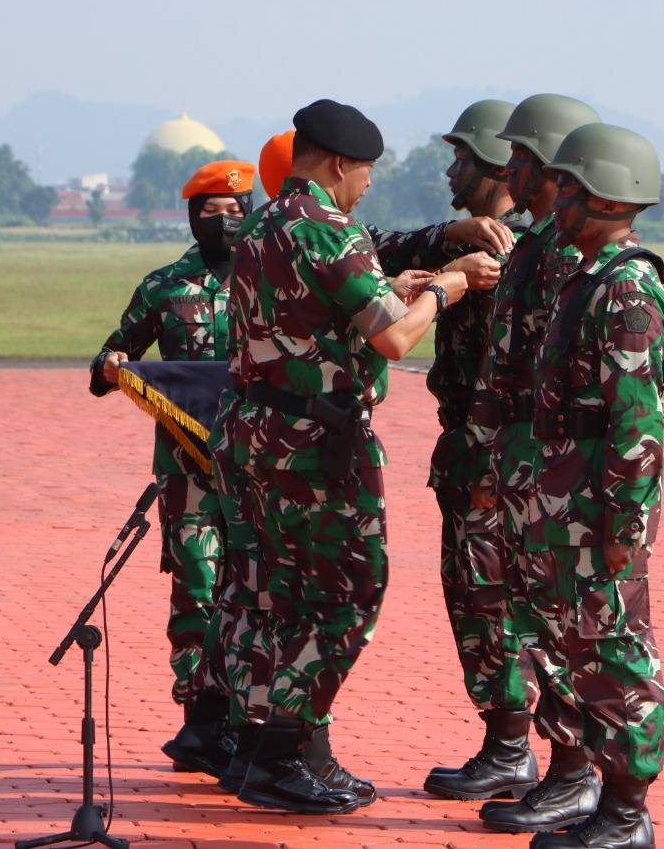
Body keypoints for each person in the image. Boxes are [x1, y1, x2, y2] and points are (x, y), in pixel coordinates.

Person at [230, 99, 471, 815]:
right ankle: (280, 754)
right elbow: (394, 340)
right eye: (365, 172)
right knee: (350, 593)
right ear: (339, 165)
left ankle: (282, 749)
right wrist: (445, 288)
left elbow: (318, 307)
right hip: (319, 443)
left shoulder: (266, 223)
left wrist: (393, 287)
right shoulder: (330, 228)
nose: (367, 185)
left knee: (285, 594)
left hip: (258, 432)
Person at [454, 94, 610, 835]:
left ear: (552, 167)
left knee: (564, 628)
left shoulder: (574, 258)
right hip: (518, 469)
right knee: (532, 624)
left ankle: (577, 774)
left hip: (555, 475)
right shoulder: (536, 249)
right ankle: (556, 766)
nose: (508, 169)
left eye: (521, 158)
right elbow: (503, 367)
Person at [526, 123, 664, 848]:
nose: (559, 199)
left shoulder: (627, 286)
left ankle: (625, 810)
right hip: (568, 499)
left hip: (596, 507)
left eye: (572, 188)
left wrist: (623, 524)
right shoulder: (587, 276)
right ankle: (607, 801)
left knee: (616, 653)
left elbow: (636, 420)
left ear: (611, 196)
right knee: (584, 648)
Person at [88, 159, 255, 775]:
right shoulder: (163, 287)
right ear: (191, 216)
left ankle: (250, 720)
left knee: (255, 591)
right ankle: (200, 723)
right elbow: (112, 357)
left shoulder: (271, 282)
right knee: (196, 589)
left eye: (237, 209)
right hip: (187, 473)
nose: (226, 220)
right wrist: (112, 366)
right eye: (212, 211)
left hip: (259, 467)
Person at [422, 99, 542, 801]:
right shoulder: (473, 245)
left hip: (492, 461)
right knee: (470, 595)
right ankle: (504, 741)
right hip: (467, 450)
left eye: (461, 157)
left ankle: (510, 745)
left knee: (490, 598)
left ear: (496, 165)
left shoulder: (517, 259)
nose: (450, 168)